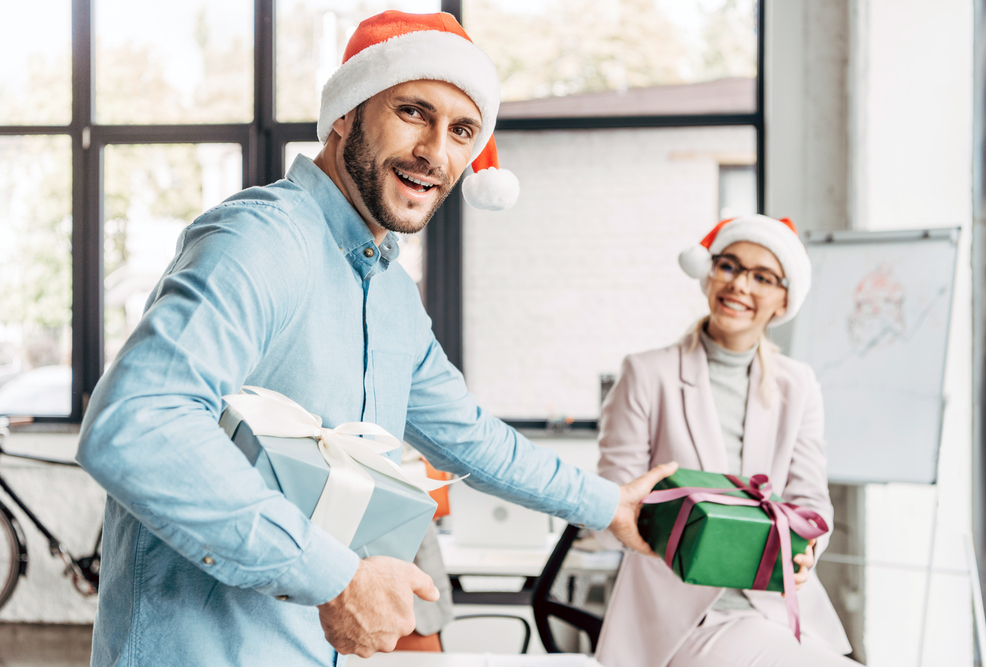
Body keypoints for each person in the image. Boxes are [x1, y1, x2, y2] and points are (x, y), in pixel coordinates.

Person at [75, 11, 675, 667]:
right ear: (345, 114)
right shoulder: (260, 239)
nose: (435, 152)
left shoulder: (389, 293)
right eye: (414, 112)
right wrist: (333, 575)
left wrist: (609, 504)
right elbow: (136, 423)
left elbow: (469, 434)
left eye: (462, 130)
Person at [594, 215, 857, 667]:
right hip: (681, 619)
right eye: (729, 266)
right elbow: (613, 501)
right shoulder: (647, 373)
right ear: (708, 275)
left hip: (778, 608)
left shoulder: (799, 385)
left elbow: (812, 500)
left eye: (762, 277)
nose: (739, 285)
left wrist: (807, 546)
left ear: (783, 300)